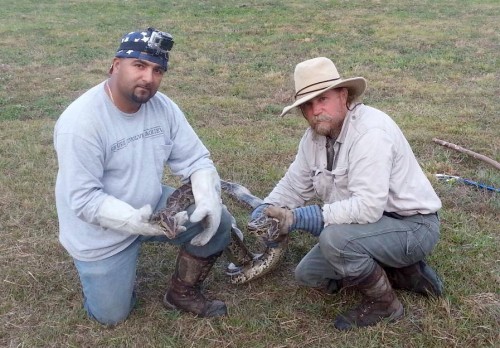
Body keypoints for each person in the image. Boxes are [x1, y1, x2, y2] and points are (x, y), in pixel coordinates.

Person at [54, 27, 231, 325]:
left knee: (220, 221)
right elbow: (83, 200)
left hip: (153, 206)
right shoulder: (80, 122)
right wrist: (134, 222)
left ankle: (182, 291)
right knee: (111, 316)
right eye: (139, 65)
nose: (148, 78)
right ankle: (107, 278)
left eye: (157, 70)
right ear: (115, 65)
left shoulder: (163, 108)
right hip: (99, 233)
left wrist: (208, 197)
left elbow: (196, 159)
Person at [250, 57, 443, 330]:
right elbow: (295, 184)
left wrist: (300, 217)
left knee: (335, 239)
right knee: (309, 274)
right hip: (370, 227)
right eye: (307, 104)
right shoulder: (314, 138)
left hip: (413, 226)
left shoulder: (370, 132)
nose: (316, 110)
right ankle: (400, 271)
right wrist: (267, 207)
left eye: (323, 99)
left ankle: (385, 304)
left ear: (343, 95)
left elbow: (367, 207)